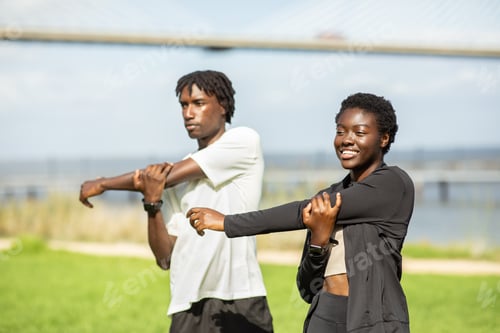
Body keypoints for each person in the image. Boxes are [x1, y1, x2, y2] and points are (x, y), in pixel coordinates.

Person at [187, 92, 415, 333]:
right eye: (340, 131)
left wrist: (227, 222)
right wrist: (318, 241)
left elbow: (299, 211)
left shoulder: (392, 184)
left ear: (384, 138)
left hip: (372, 319)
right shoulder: (329, 196)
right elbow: (306, 289)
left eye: (359, 133)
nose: (347, 140)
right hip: (324, 315)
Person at [79, 70, 273, 333]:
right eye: (183, 105)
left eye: (198, 103)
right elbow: (164, 258)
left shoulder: (243, 141)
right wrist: (151, 203)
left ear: (223, 106)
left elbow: (163, 178)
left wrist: (103, 183)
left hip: (242, 296)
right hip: (187, 303)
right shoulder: (169, 178)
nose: (188, 113)